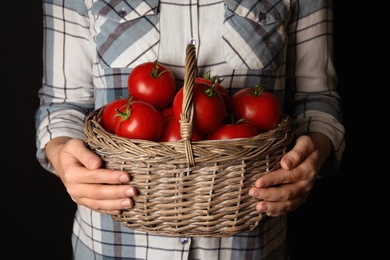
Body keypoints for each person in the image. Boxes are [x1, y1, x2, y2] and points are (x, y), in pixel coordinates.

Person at [35, 0, 345, 259]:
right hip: (111, 245)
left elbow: (316, 100)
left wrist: (312, 155)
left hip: (252, 245)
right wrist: (64, 155)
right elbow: (63, 104)